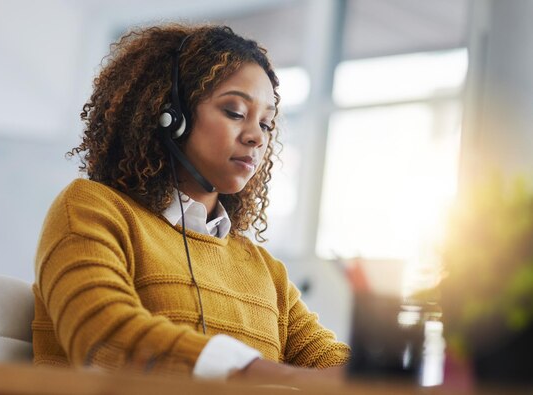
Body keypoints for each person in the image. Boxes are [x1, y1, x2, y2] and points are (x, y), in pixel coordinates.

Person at [32, 24, 350, 384]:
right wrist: (259, 374)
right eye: (234, 111)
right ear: (171, 116)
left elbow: (334, 368)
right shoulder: (92, 209)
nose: (256, 136)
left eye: (266, 123)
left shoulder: (264, 271)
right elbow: (102, 337)